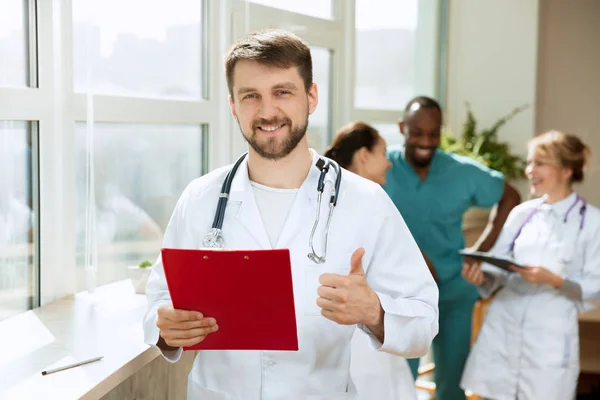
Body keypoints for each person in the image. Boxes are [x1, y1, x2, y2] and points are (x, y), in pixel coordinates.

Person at [143, 29, 439, 399]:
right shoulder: (200, 198)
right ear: (233, 105)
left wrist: (374, 312)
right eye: (250, 96)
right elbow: (159, 298)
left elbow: (424, 321)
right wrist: (166, 330)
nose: (267, 111)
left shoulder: (366, 201)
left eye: (283, 92)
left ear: (311, 97)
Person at [383, 96, 521, 400]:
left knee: (452, 386)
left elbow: (510, 195)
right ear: (402, 127)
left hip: (453, 292)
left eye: (434, 134)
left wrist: (480, 250)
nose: (425, 141)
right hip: (400, 296)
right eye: (417, 132)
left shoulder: (461, 171)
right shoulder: (383, 167)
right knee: (398, 386)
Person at [460, 131, 600, 400]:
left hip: (549, 336)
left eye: (539, 163)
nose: (529, 171)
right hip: (504, 326)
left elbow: (595, 287)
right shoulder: (522, 214)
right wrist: (482, 277)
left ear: (567, 170)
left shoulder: (592, 222)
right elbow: (498, 269)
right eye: (529, 162)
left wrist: (554, 280)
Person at [324, 121, 417, 400]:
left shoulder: (337, 199)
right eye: (383, 153)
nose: (389, 164)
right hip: (358, 334)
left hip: (366, 329)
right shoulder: (364, 205)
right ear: (364, 155)